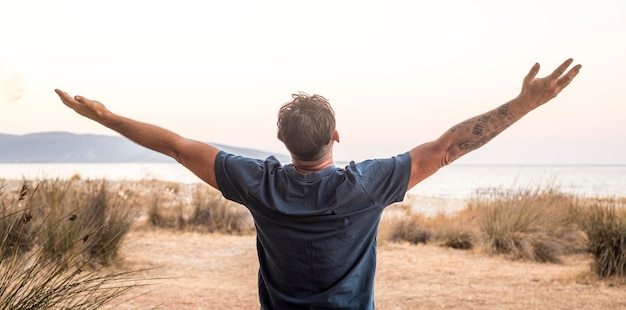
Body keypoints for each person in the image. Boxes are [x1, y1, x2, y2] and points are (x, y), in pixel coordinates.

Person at [55, 58, 581, 309]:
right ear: (335, 135)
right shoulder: (367, 185)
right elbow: (449, 147)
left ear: (281, 140)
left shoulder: (256, 183)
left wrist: (105, 117)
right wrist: (526, 104)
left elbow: (174, 144)